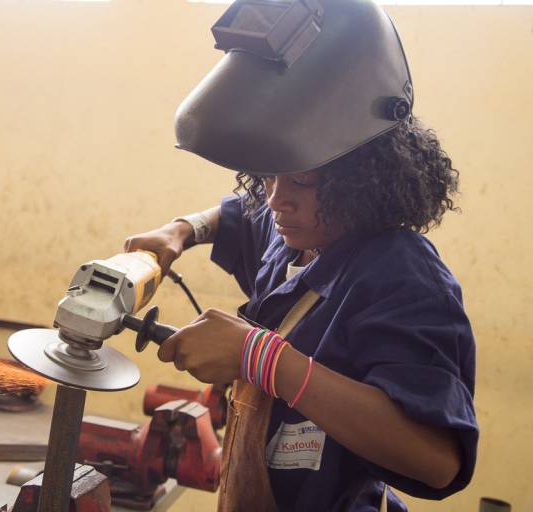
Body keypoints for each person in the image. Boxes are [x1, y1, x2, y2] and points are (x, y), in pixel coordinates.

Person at [124, 1, 478, 511]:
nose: (275, 199)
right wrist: (180, 231)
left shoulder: (402, 276)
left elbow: (437, 458)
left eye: (302, 181)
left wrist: (259, 357)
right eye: (269, 175)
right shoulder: (298, 233)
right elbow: (240, 214)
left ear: (363, 180)